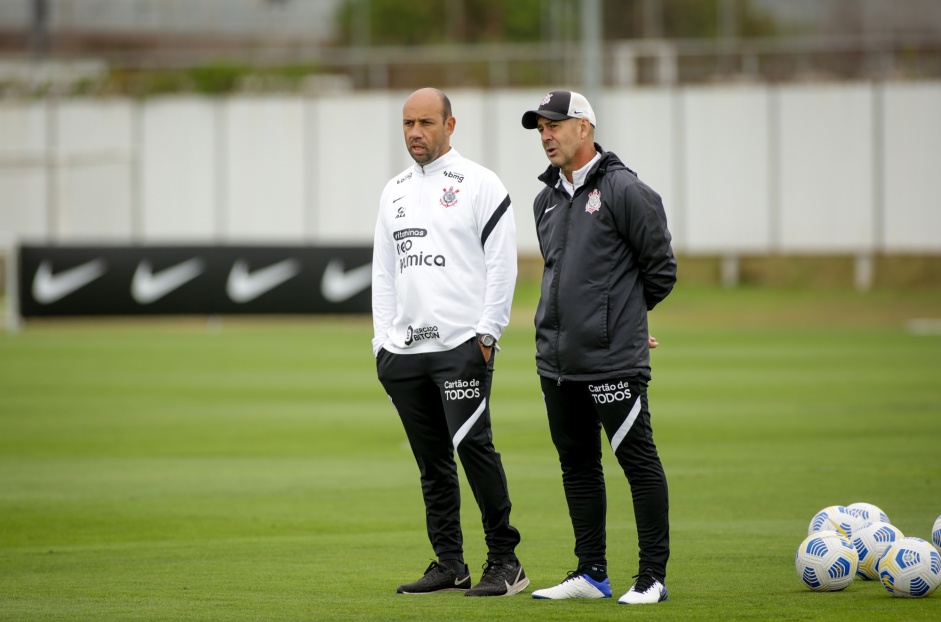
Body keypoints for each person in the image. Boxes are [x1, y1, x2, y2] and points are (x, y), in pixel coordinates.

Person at [520, 90, 677, 605]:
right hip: (558, 363)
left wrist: (625, 321)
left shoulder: (625, 189)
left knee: (638, 463)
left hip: (613, 362)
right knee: (578, 467)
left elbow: (660, 269)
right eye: (540, 128)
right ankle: (591, 573)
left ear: (584, 127)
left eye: (555, 125)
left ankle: (652, 577)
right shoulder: (545, 199)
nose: (546, 135)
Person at [371, 87, 528, 597]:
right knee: (431, 462)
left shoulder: (480, 183)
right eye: (408, 124)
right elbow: (383, 272)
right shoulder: (392, 190)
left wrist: (488, 332)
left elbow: (504, 262)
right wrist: (382, 344)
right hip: (405, 351)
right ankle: (450, 563)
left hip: (462, 344)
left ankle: (506, 561)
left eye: (426, 123)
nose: (416, 133)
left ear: (450, 125)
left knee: (474, 450)